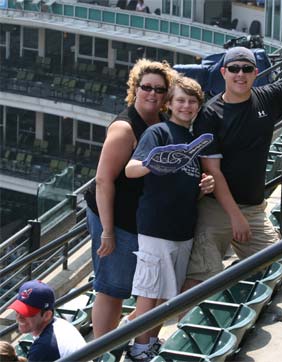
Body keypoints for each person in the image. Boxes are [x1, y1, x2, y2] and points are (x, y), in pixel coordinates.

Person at [183, 46, 282, 289]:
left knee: (275, 268)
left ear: (255, 72)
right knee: (200, 281)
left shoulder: (267, 96)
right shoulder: (209, 114)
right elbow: (213, 170)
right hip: (216, 208)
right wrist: (236, 217)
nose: (240, 74)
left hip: (254, 208)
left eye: (247, 69)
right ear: (223, 72)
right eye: (234, 69)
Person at [84, 59, 177, 338]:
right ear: (135, 89)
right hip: (114, 218)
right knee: (113, 288)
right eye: (146, 87)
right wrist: (108, 233)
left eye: (159, 90)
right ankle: (99, 350)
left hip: (142, 220)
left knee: (146, 286)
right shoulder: (124, 129)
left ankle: (126, 334)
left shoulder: (163, 123)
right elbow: (103, 181)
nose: (152, 94)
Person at [124, 76, 214, 361]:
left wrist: (204, 187)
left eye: (192, 102)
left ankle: (150, 343)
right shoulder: (159, 132)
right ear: (169, 104)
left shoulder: (193, 140)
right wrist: (152, 164)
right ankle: (139, 349)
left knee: (166, 296)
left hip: (183, 229)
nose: (186, 106)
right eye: (180, 101)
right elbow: (130, 169)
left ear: (198, 107)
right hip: (156, 227)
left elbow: (187, 185)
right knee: (149, 294)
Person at [7, 280, 86, 362]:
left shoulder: (43, 348)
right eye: (17, 310)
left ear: (47, 315)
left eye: (27, 313)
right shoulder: (61, 324)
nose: (19, 317)